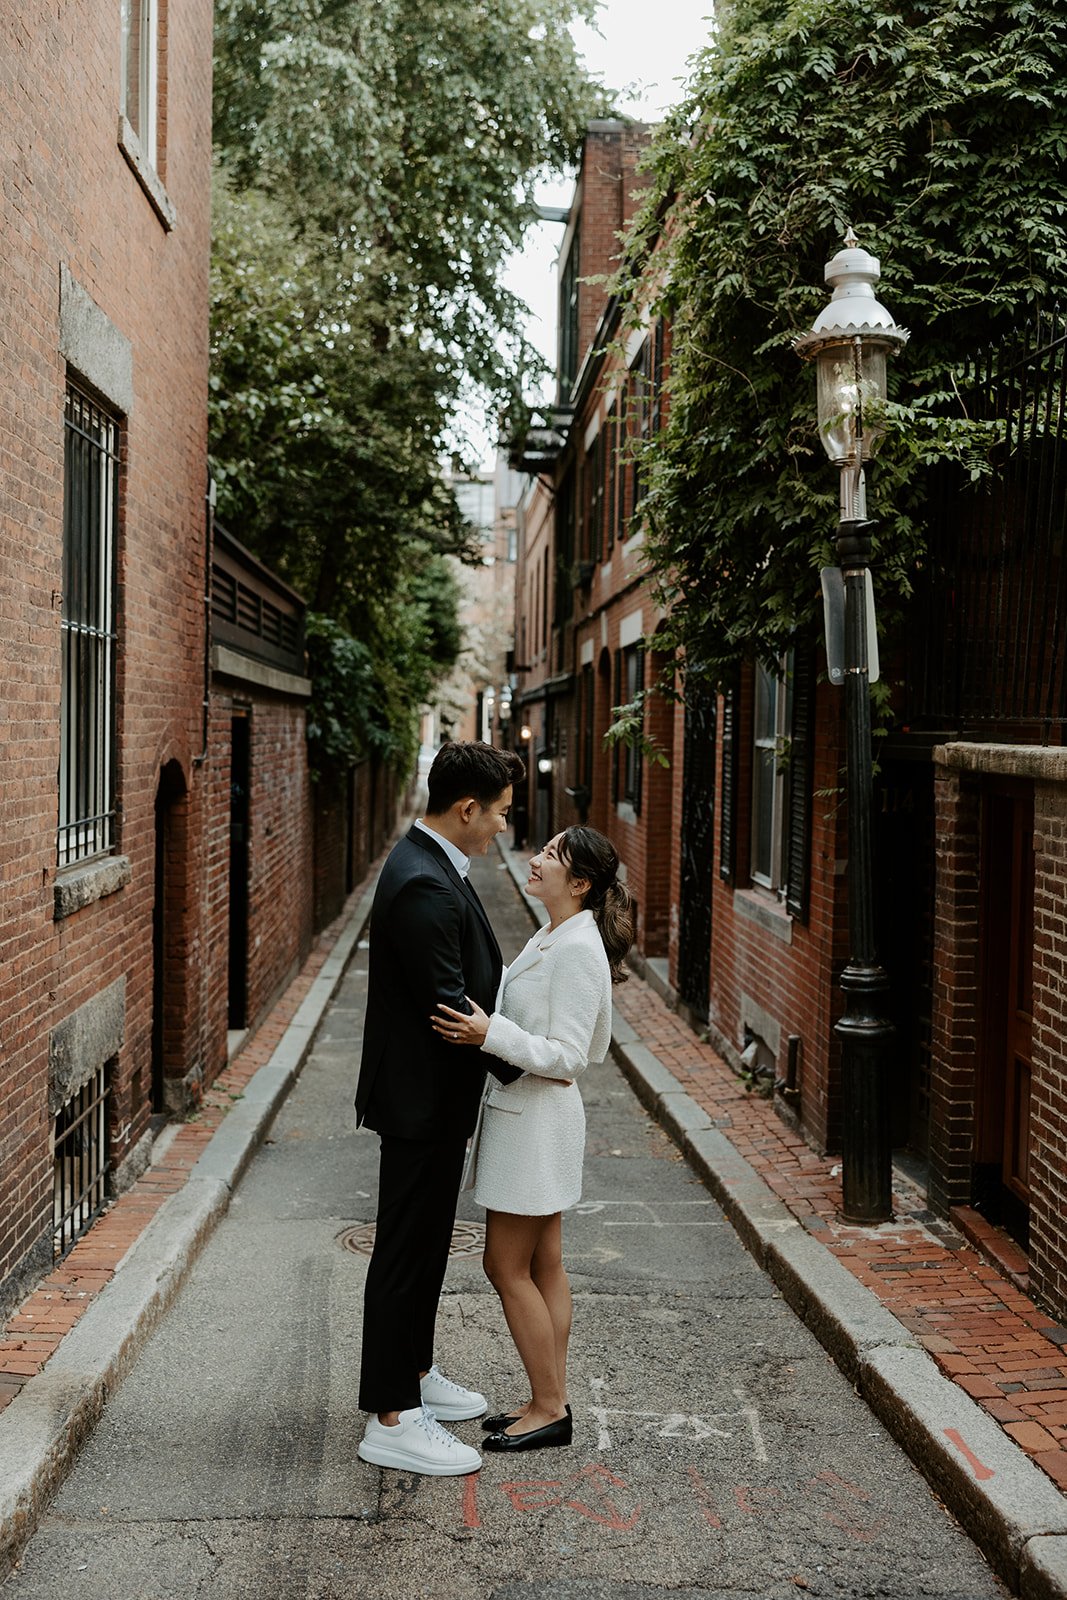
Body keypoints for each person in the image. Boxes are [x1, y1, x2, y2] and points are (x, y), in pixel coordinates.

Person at [432, 826, 634, 1454]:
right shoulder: (555, 933)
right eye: (542, 848)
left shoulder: (577, 948)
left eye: (552, 856)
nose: (536, 858)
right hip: (531, 1115)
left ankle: (549, 1408)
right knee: (544, 1263)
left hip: (538, 1120)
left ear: (580, 884)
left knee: (504, 1264)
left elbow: (571, 1054)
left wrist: (490, 1033)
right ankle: (549, 1396)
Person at [355, 740, 525, 1477]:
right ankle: (392, 1418)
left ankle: (415, 1374)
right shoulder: (423, 881)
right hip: (420, 1102)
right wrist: (531, 1062)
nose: (502, 830)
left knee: (424, 1250)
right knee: (404, 1253)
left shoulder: (432, 863)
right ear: (466, 809)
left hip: (431, 1100)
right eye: (499, 816)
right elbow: (449, 1004)